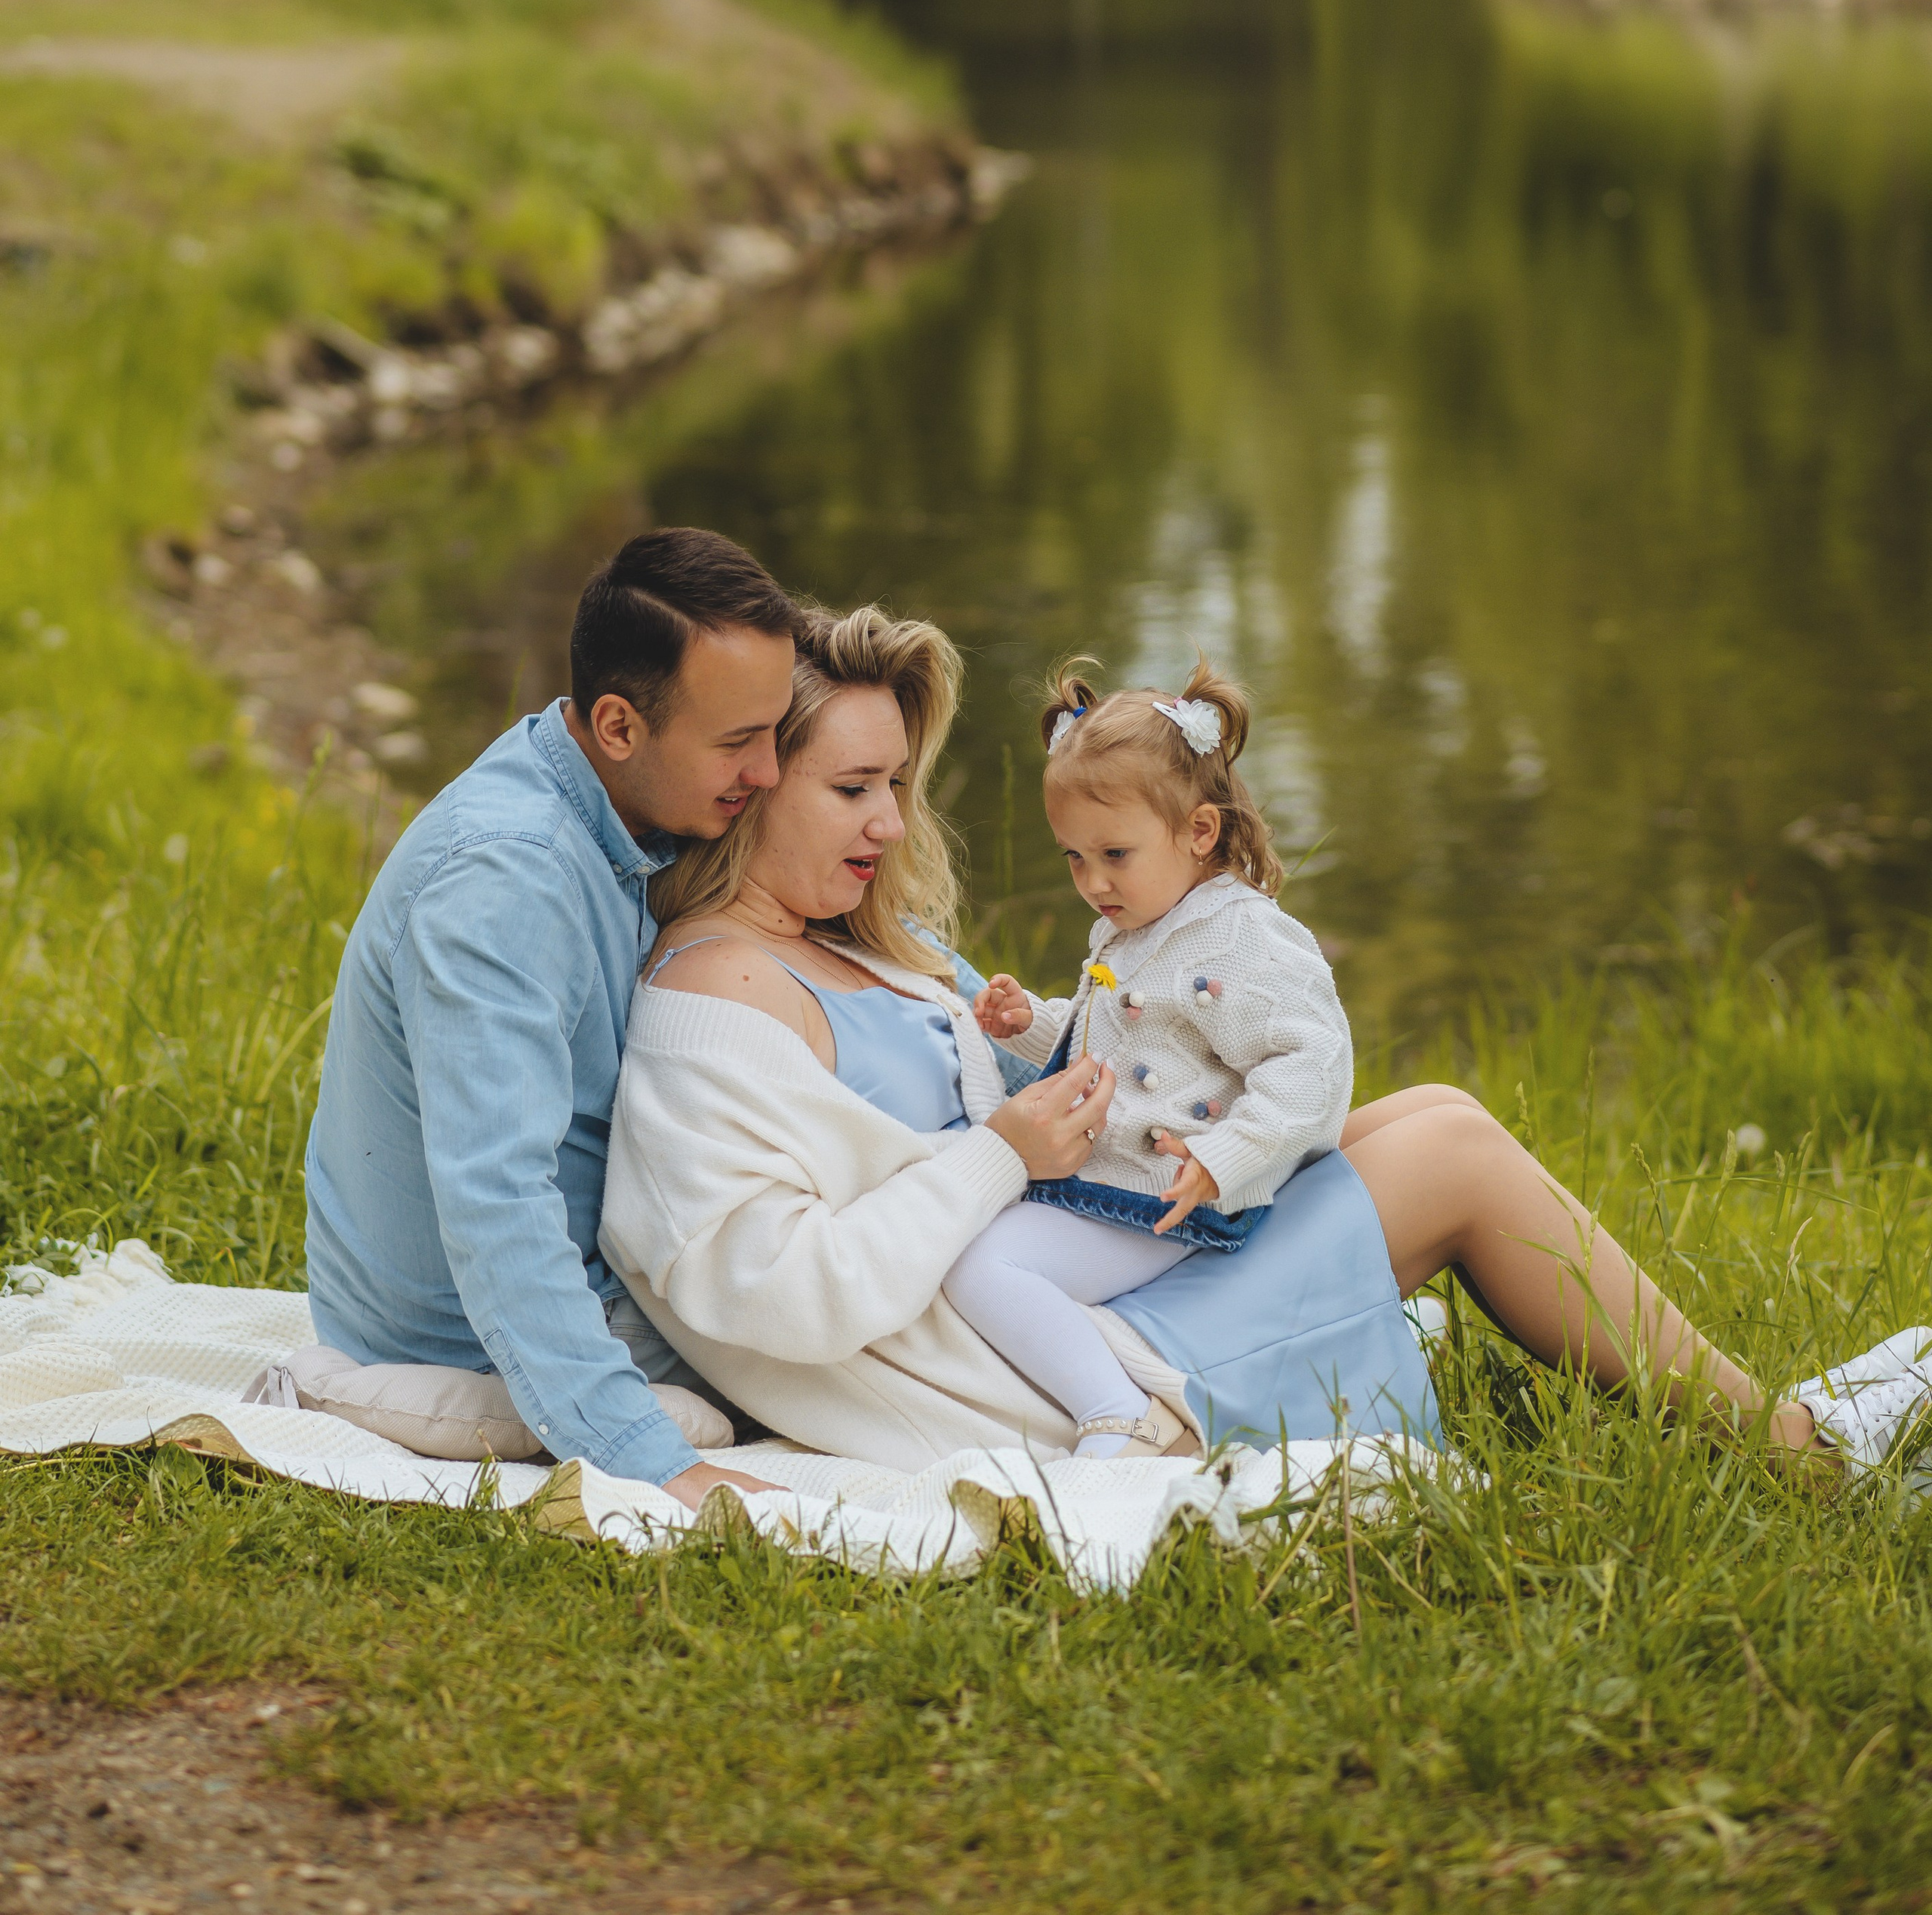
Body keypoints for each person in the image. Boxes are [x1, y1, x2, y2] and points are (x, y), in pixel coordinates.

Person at [601, 603, 1930, 1477]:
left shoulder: (855, 943)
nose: (890, 821)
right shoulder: (717, 996)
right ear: (755, 781)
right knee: (1454, 1153)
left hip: (1095, 1248)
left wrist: (1024, 1073)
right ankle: (1804, 1449)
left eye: (897, 782)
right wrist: (1000, 1154)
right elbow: (766, 1289)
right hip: (1040, 1360)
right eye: (851, 786)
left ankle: (1777, 1411)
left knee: (1427, 1107)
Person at [300, 526, 798, 1505]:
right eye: (740, 741)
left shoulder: (602, 791)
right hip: (462, 1332)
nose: (771, 770)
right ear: (618, 726)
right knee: (879, 1311)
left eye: (775, 730)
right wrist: (656, 1462)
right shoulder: (509, 877)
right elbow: (498, 1199)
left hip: (600, 1266)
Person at [942, 660, 1354, 1457]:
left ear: (1199, 831)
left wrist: (1224, 1155)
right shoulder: (1140, 920)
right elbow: (1129, 1040)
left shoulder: (1239, 935)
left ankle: (1115, 1411)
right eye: (1071, 857)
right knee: (974, 1232)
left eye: (1113, 855)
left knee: (982, 1266)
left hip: (1170, 1195)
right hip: (1119, 1178)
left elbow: (1311, 1061)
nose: (1091, 882)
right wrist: (1032, 1025)